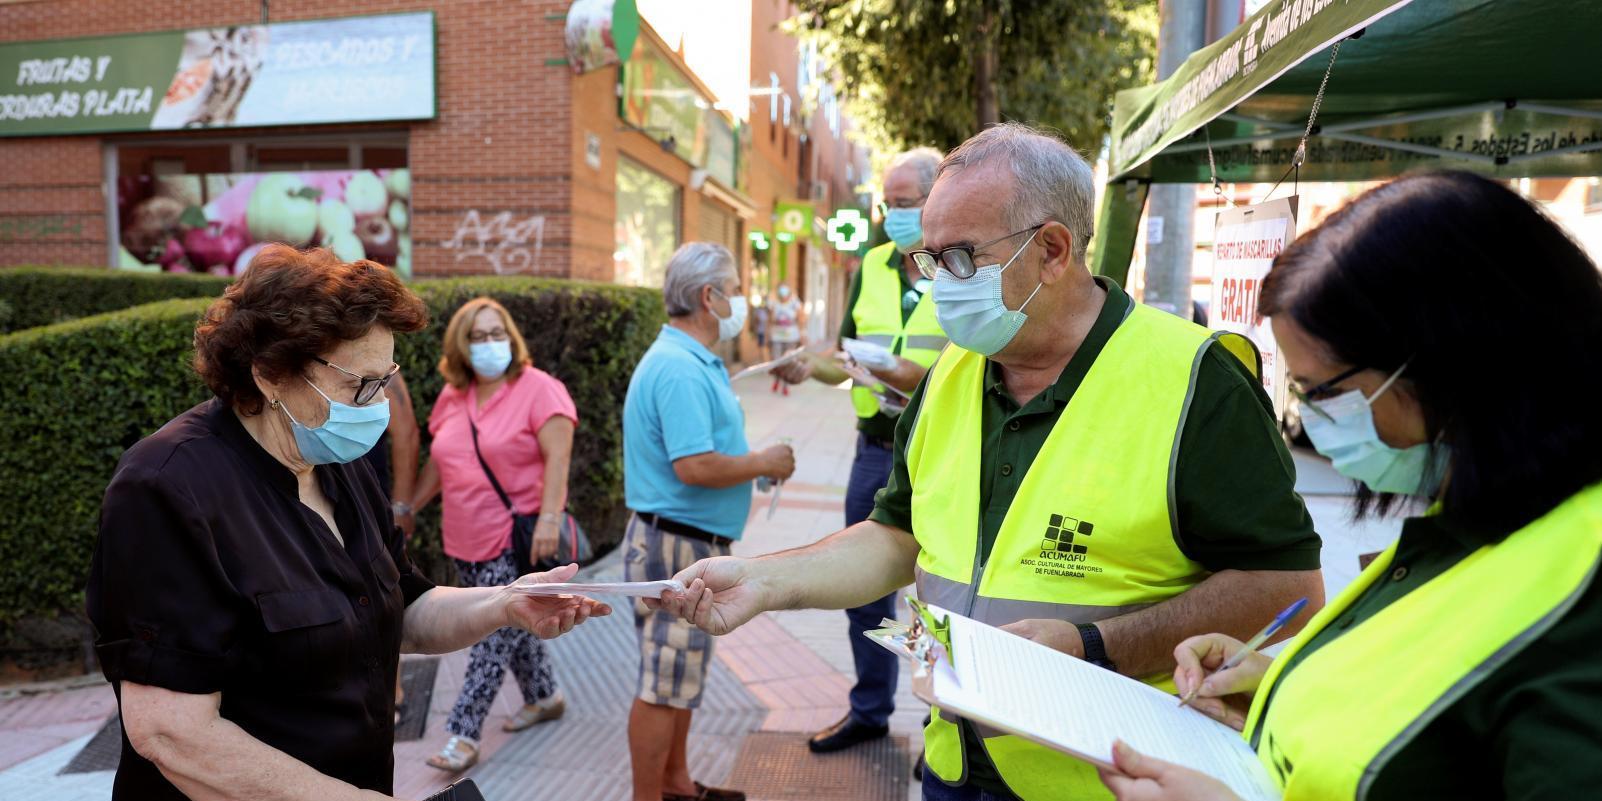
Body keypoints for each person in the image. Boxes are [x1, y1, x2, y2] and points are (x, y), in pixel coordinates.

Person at [656, 123, 1323, 801]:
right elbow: (894, 537)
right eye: (929, 258)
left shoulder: (1196, 379)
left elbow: (1288, 588)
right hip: (954, 766)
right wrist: (764, 581)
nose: (938, 284)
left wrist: (1094, 643)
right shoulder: (953, 374)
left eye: (959, 259)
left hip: (1113, 781)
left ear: (1053, 249)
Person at [1095, 171, 1602, 800]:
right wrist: (1281, 687)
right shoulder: (1470, 526)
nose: (1307, 417)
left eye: (1323, 392)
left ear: (1453, 364)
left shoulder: (1583, 583)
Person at [86, 245, 606, 801]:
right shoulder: (166, 487)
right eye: (360, 385)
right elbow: (171, 733)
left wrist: (504, 604)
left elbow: (403, 606)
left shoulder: (338, 462)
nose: (376, 405)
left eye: (386, 380)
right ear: (269, 374)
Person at [771, 146, 949, 754]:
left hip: (945, 450)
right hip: (876, 449)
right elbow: (845, 361)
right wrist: (810, 368)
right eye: (888, 204)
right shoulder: (871, 266)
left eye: (905, 204)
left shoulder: (961, 265)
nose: (892, 215)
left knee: (943, 590)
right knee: (865, 591)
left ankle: (945, 725)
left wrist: (908, 375)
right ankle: (870, 709)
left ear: (935, 200)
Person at [623, 242, 797, 801]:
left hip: (684, 539)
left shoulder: (690, 359)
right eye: (738, 289)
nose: (743, 301)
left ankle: (675, 784)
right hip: (673, 540)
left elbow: (707, 452)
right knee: (663, 684)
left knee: (680, 678)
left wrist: (753, 471)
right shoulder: (677, 367)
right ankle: (651, 794)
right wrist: (763, 462)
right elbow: (693, 465)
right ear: (709, 297)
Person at [402, 297, 579, 772]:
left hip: (512, 535)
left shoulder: (540, 389)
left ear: (512, 337)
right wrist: (408, 508)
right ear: (461, 347)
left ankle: (463, 731)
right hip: (463, 535)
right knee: (510, 624)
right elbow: (441, 463)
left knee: (492, 631)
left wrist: (549, 518)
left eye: (496, 332)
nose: (489, 343)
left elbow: (559, 458)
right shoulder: (451, 397)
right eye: (477, 336)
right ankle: (544, 696)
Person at [768, 284, 802, 393]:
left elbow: (801, 317)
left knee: (788, 361)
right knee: (777, 361)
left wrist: (802, 334)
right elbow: (771, 319)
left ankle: (785, 385)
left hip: (791, 337)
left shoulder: (794, 303)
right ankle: (777, 380)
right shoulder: (774, 303)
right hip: (777, 336)